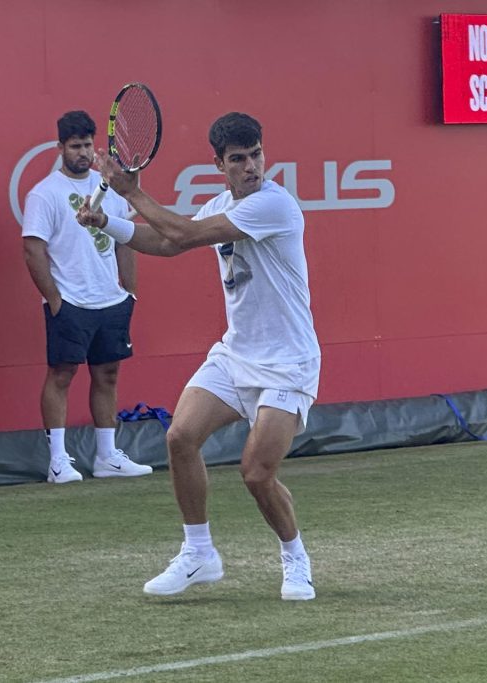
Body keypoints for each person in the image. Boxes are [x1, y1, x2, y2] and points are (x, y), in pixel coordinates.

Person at [77, 112, 320, 600]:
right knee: (181, 437)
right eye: (238, 159)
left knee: (255, 472)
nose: (251, 166)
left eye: (256, 155)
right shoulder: (221, 205)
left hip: (288, 362)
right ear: (219, 164)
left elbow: (184, 235)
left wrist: (129, 192)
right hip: (236, 354)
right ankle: (199, 553)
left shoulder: (275, 205)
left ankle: (296, 559)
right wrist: (109, 223)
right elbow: (168, 243)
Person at [22, 110, 153, 484]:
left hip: (110, 300)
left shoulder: (109, 187)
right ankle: (59, 460)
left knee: (108, 375)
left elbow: (126, 237)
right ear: (60, 147)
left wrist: (128, 290)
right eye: (75, 146)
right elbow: (33, 250)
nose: (82, 153)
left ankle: (107, 456)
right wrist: (55, 299)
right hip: (70, 301)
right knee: (62, 375)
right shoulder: (44, 194)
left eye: (87, 146)